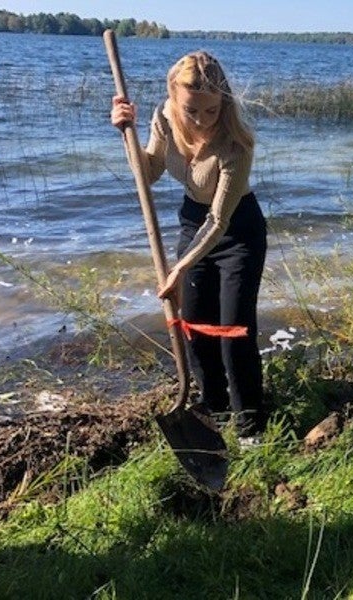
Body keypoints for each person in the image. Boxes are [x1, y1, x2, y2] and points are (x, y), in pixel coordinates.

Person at [111, 51, 268, 443]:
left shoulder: (236, 144)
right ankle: (213, 412)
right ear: (174, 98)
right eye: (192, 110)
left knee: (232, 330)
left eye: (211, 111)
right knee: (195, 327)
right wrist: (125, 132)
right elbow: (148, 174)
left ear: (224, 103)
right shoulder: (165, 118)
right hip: (191, 221)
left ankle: (250, 429)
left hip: (237, 230)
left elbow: (219, 221)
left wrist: (179, 268)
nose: (200, 120)